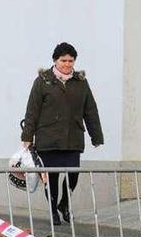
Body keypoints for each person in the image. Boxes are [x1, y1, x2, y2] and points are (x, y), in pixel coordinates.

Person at [20, 42, 103, 225]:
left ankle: (64, 204)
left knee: (73, 175)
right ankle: (53, 211)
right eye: (63, 60)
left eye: (70, 61)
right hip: (48, 138)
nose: (67, 64)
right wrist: (27, 136)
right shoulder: (43, 81)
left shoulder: (80, 82)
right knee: (52, 177)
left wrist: (96, 136)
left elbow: (90, 110)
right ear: (55, 61)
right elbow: (32, 111)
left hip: (72, 137)